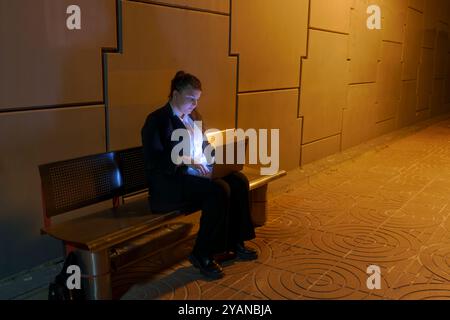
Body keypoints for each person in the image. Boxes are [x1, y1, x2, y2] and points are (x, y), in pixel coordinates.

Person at [141, 71, 257, 279]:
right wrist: (185, 160)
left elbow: (203, 145)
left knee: (239, 181)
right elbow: (154, 161)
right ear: (175, 94)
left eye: (197, 99)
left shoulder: (194, 117)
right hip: (170, 183)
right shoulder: (157, 120)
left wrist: (219, 158)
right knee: (219, 191)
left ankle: (234, 242)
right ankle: (202, 253)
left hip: (195, 175)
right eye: (191, 98)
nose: (195, 104)